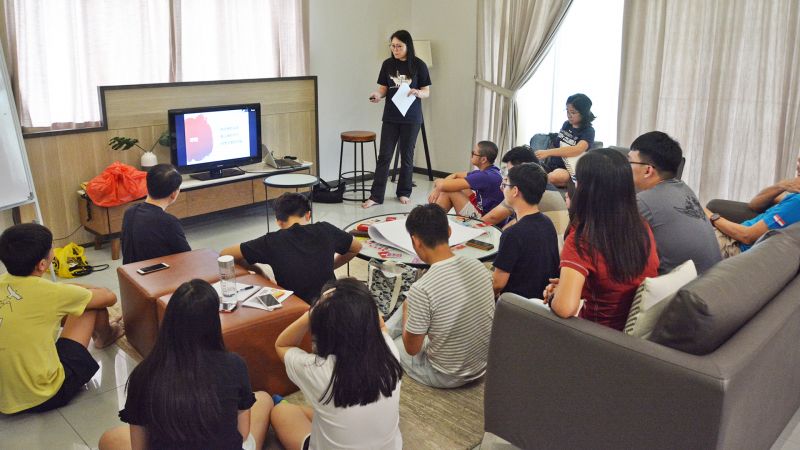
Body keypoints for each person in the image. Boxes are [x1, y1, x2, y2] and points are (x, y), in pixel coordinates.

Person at [98, 279, 272, 450]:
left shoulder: (143, 374)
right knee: (263, 399)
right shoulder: (235, 365)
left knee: (110, 438)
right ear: (213, 322)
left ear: (169, 320)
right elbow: (243, 433)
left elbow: (139, 447)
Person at [0, 223, 123, 414]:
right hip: (43, 395)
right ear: (42, 264)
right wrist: (75, 288)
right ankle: (105, 336)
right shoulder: (51, 292)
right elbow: (109, 297)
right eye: (52, 248)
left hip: (3, 397)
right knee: (90, 307)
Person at [271, 278, 403, 450]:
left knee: (281, 412)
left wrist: (311, 313)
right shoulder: (389, 349)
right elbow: (381, 326)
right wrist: (363, 304)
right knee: (329, 414)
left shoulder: (317, 369)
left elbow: (282, 345)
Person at [543, 149, 659, 331]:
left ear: (586, 189)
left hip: (596, 336)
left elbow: (565, 309)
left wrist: (554, 297)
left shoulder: (582, 240)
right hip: (629, 332)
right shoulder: (641, 226)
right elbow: (614, 281)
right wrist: (570, 287)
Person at [386, 204, 495, 388]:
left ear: (416, 241)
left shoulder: (423, 288)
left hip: (445, 374)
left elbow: (412, 349)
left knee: (389, 343)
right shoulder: (478, 266)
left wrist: (407, 311)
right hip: (482, 365)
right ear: (449, 231)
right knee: (411, 301)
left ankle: (377, 336)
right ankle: (383, 330)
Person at [221, 193, 361, 304]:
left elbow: (225, 254)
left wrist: (258, 271)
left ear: (279, 222)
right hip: (331, 302)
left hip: (294, 305)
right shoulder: (326, 229)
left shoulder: (271, 241)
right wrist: (330, 265)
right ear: (308, 215)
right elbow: (356, 247)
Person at [629, 131, 721, 274]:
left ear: (648, 170)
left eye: (629, 162)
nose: (626, 167)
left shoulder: (643, 202)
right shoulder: (685, 189)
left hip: (680, 286)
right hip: (711, 280)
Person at [363, 29, 432, 208]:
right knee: (384, 156)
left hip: (411, 117)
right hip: (391, 117)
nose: (395, 49)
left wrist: (417, 92)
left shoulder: (419, 65)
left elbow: (426, 91)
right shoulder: (387, 64)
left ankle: (404, 192)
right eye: (393, 46)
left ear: (408, 46)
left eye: (399, 46)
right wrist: (377, 95)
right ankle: (376, 196)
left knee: (407, 156)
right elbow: (383, 88)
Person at [705, 156, 800, 258]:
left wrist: (711, 217)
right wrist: (781, 186)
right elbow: (755, 204)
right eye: (799, 160)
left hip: (734, 246)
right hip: (732, 238)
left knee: (694, 217)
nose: (798, 166)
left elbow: (747, 237)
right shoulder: (795, 197)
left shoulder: (797, 203)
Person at [492, 163, 560, 298]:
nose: (502, 189)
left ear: (515, 191)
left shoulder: (512, 234)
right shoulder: (547, 222)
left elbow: (498, 284)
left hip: (517, 303)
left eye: (505, 184)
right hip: (541, 300)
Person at [480, 145, 567, 228]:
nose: (509, 177)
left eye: (511, 172)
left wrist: (473, 228)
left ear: (524, 167)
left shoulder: (524, 190)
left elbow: (493, 217)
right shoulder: (544, 184)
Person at [121, 163, 191, 264]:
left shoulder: (129, 211)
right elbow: (186, 256)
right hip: (159, 272)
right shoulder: (169, 222)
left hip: (131, 271)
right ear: (174, 194)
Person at [427, 141, 503, 219]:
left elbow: (442, 185)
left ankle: (433, 221)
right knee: (456, 184)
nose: (471, 155)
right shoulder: (490, 171)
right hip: (482, 207)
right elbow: (456, 175)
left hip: (486, 219)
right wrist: (438, 188)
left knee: (450, 191)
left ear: (483, 159)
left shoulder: (485, 176)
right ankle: (433, 219)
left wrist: (437, 182)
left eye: (473, 153)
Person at [534, 93, 596, 187]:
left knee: (554, 176)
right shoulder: (566, 124)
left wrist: (548, 152)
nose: (569, 115)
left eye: (573, 112)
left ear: (584, 113)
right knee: (528, 167)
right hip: (552, 166)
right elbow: (557, 143)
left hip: (569, 170)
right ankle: (539, 179)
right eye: (567, 111)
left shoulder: (589, 131)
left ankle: (540, 180)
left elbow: (578, 149)